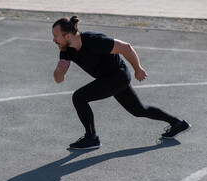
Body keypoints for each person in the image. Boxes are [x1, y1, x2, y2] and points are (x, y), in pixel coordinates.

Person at [52, 16, 191, 150]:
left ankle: (91, 138)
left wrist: (138, 69)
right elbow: (59, 79)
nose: (54, 40)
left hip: (118, 76)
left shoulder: (94, 40)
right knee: (139, 110)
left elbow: (126, 48)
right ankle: (177, 123)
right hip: (107, 79)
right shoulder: (66, 50)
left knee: (79, 97)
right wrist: (59, 71)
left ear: (68, 36)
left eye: (56, 36)